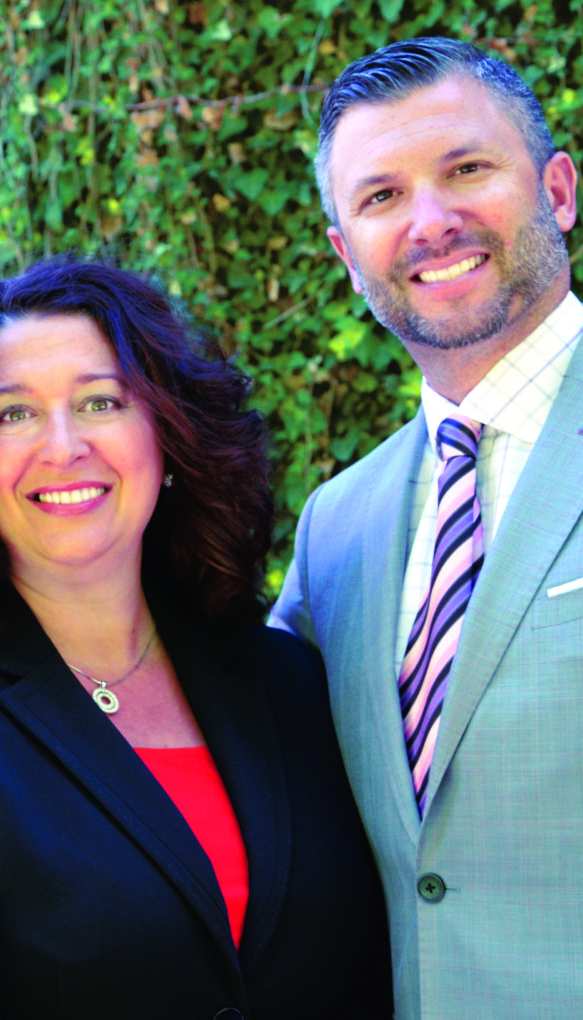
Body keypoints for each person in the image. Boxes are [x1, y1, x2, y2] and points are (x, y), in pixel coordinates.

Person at [0, 257, 392, 1019]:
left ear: (168, 437)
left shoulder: (285, 679)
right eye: (13, 414)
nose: (63, 445)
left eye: (101, 401)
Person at [271, 36, 583, 1019]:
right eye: (379, 198)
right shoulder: (337, 528)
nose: (430, 223)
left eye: (466, 170)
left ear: (559, 191)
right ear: (343, 255)